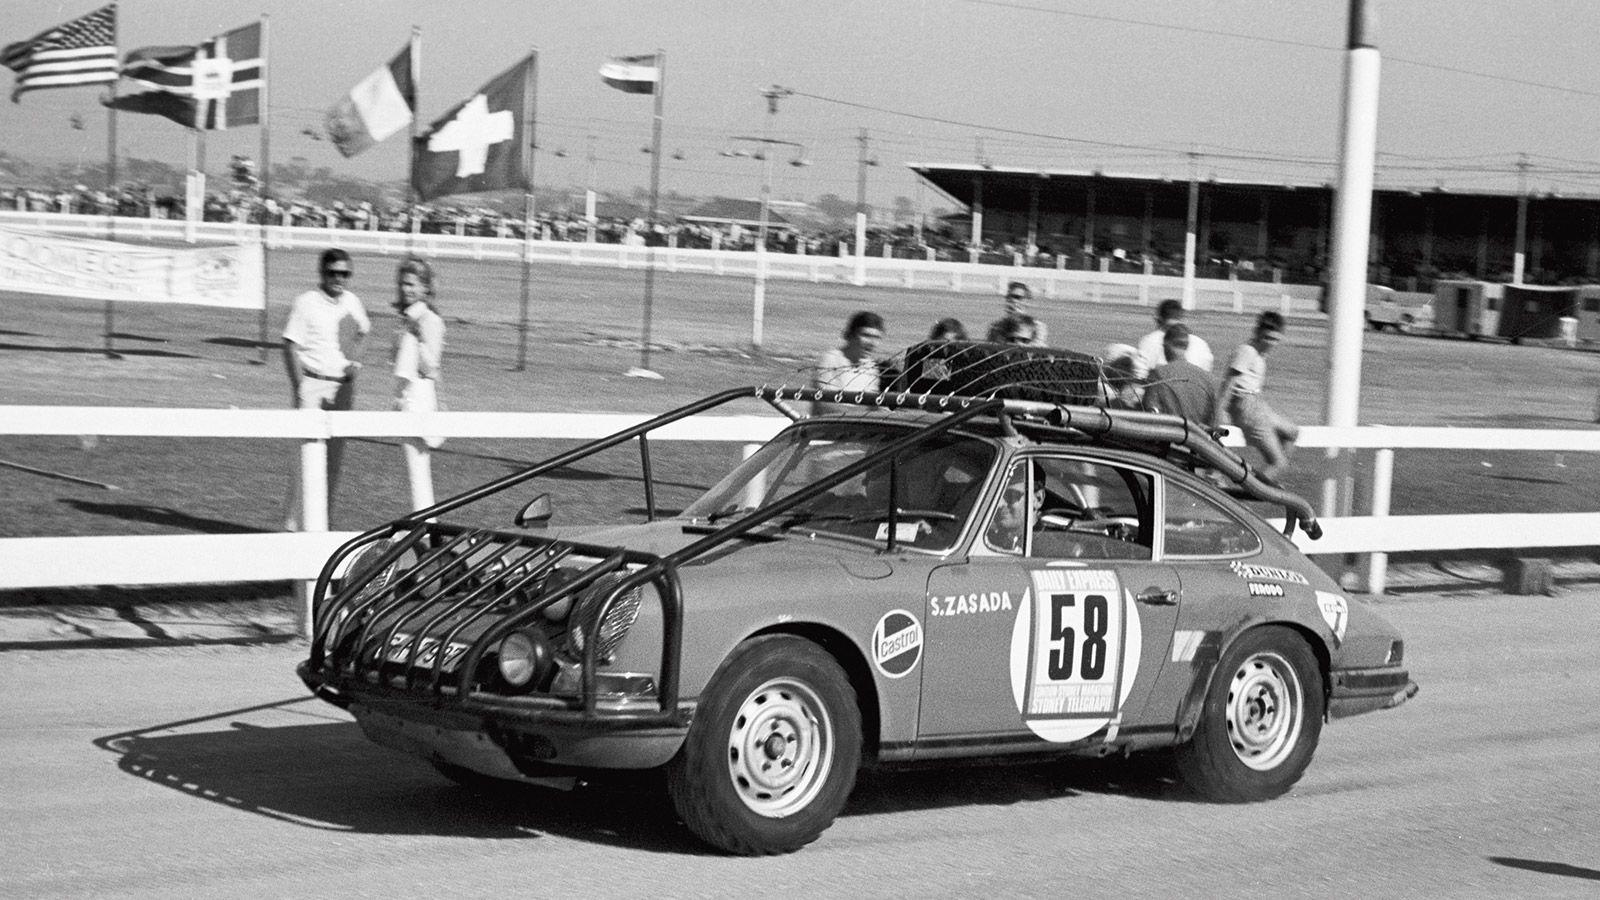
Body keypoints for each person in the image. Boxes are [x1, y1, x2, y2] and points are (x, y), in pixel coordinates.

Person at [282, 248, 370, 528]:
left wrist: (356, 362)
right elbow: (289, 345)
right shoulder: (306, 302)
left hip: (341, 390)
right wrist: (301, 387)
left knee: (333, 464)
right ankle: (293, 528)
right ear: (322, 273)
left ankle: (322, 527)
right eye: (333, 273)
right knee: (306, 462)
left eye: (345, 273)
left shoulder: (353, 302)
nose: (339, 279)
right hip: (312, 385)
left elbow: (363, 332)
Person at [391, 257, 446, 512]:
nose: (406, 289)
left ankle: (426, 525)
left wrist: (415, 335)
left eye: (412, 284)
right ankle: (424, 524)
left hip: (419, 397)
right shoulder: (409, 317)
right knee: (415, 472)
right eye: (403, 284)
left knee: (418, 473)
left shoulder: (429, 319)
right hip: (407, 395)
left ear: (425, 287)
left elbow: (431, 367)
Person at [1219, 310, 1299, 483]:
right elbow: (1229, 382)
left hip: (1257, 403)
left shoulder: (1259, 353)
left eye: (1275, 339)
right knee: (1279, 463)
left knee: (1292, 432)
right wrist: (1220, 411)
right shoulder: (1247, 351)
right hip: (1245, 406)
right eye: (1267, 338)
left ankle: (1269, 480)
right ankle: (1256, 489)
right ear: (1257, 333)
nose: (1271, 343)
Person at [810, 310, 884, 415]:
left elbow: (872, 404)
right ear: (851, 335)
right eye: (866, 335)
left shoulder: (871, 367)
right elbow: (825, 404)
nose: (872, 343)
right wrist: (863, 413)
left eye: (876, 337)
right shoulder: (831, 360)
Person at [1143, 324, 1218, 423]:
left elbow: (1151, 412)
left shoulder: (1158, 374)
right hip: (1197, 432)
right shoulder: (1208, 378)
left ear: (1166, 345)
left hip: (1168, 431)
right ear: (1186, 346)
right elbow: (1214, 417)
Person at [1135, 298, 1213, 377]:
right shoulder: (1202, 345)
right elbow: (1206, 375)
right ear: (1181, 318)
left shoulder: (1148, 341)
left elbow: (1140, 375)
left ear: (1158, 320)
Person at [1003, 281, 1049, 345]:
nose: (1013, 300)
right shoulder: (998, 326)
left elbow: (1037, 348)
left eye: (1017, 297)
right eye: (1009, 297)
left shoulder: (1037, 327)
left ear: (1026, 302)